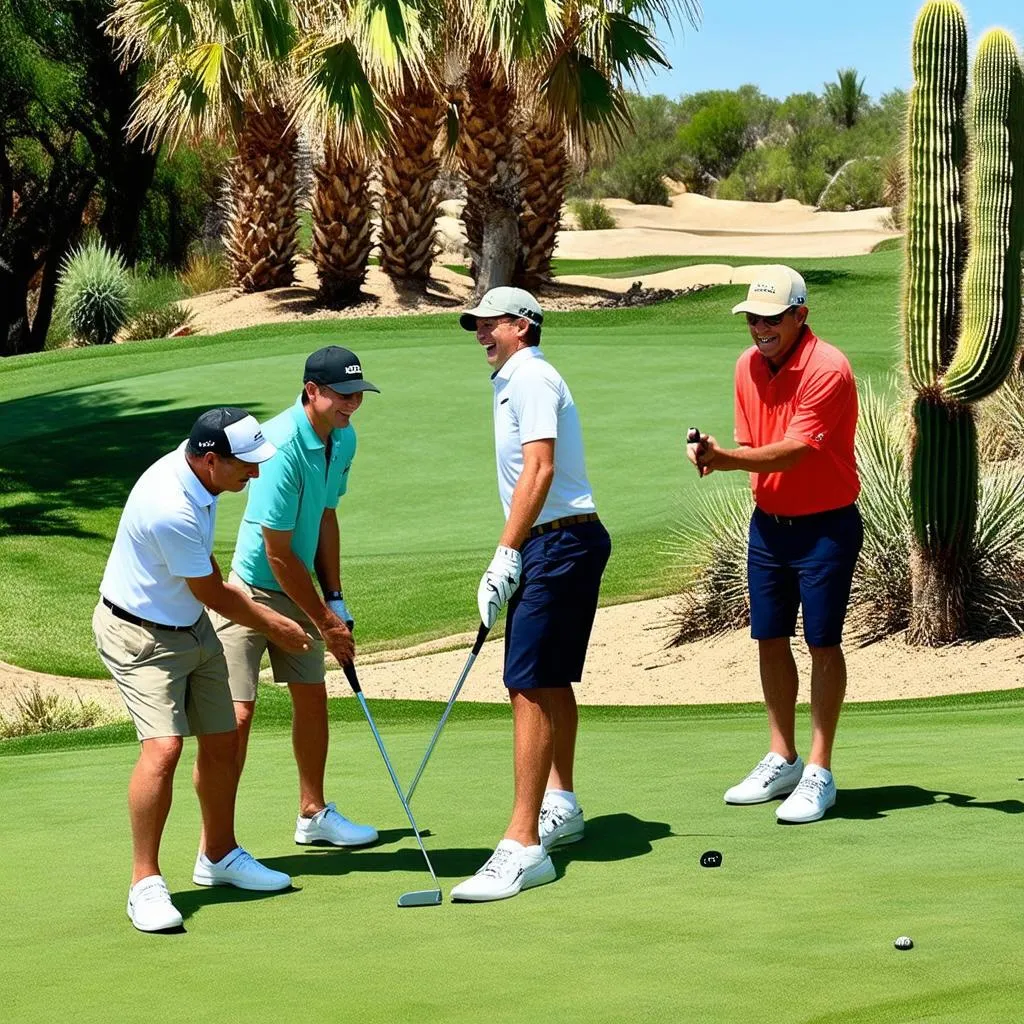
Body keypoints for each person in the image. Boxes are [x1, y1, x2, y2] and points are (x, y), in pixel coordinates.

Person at [94, 407, 312, 933]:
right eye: (246, 466)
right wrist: (279, 626)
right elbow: (213, 592)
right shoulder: (170, 505)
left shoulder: (201, 480)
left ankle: (217, 856)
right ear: (211, 460)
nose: (255, 474)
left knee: (222, 738)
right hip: (139, 633)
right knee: (164, 748)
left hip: (190, 627)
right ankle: (144, 883)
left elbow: (208, 575)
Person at [450, 287, 612, 902]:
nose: (481, 335)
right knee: (546, 680)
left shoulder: (533, 379)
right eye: (477, 327)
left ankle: (521, 846)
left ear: (523, 325)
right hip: (561, 542)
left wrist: (506, 552)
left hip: (558, 543)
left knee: (524, 683)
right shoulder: (514, 380)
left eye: (490, 325)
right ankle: (561, 804)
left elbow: (540, 468)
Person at [687, 265, 862, 824]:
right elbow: (753, 445)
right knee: (768, 637)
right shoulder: (747, 367)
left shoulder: (828, 368)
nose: (759, 327)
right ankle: (782, 756)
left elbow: (793, 451)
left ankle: (819, 770)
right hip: (769, 526)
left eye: (771, 318)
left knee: (822, 641)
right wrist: (712, 452)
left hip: (826, 527)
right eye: (752, 318)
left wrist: (724, 460)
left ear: (800, 316)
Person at [212, 346, 379, 850]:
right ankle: (219, 843)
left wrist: (336, 596)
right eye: (343, 395)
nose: (352, 404)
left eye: (357, 395)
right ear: (312, 392)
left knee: (312, 698)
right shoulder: (280, 447)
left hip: (301, 590)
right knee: (237, 716)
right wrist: (326, 621)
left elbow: (327, 515)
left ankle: (313, 814)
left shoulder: (342, 439)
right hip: (251, 593)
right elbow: (279, 554)